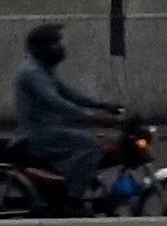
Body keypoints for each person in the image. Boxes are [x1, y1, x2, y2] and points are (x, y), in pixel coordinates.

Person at [10, 20, 125, 210]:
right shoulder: (31, 73)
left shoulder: (43, 70)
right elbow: (57, 102)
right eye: (54, 44)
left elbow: (69, 94)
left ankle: (70, 186)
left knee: (94, 143)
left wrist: (105, 106)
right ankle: (73, 198)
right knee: (92, 146)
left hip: (47, 132)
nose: (59, 48)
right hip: (36, 135)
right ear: (39, 48)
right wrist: (93, 118)